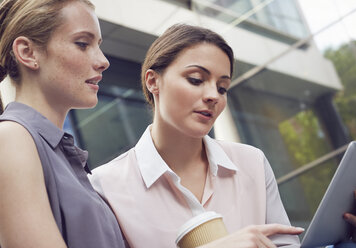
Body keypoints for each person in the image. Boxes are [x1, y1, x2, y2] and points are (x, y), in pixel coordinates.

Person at [89, 23, 304, 248]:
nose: (214, 96)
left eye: (222, 87)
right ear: (153, 81)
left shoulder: (253, 163)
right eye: (196, 79)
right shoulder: (104, 186)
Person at [0, 0, 127, 247]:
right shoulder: (12, 139)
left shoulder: (56, 151)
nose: (103, 61)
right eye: (82, 44)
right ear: (28, 52)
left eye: (98, 46)